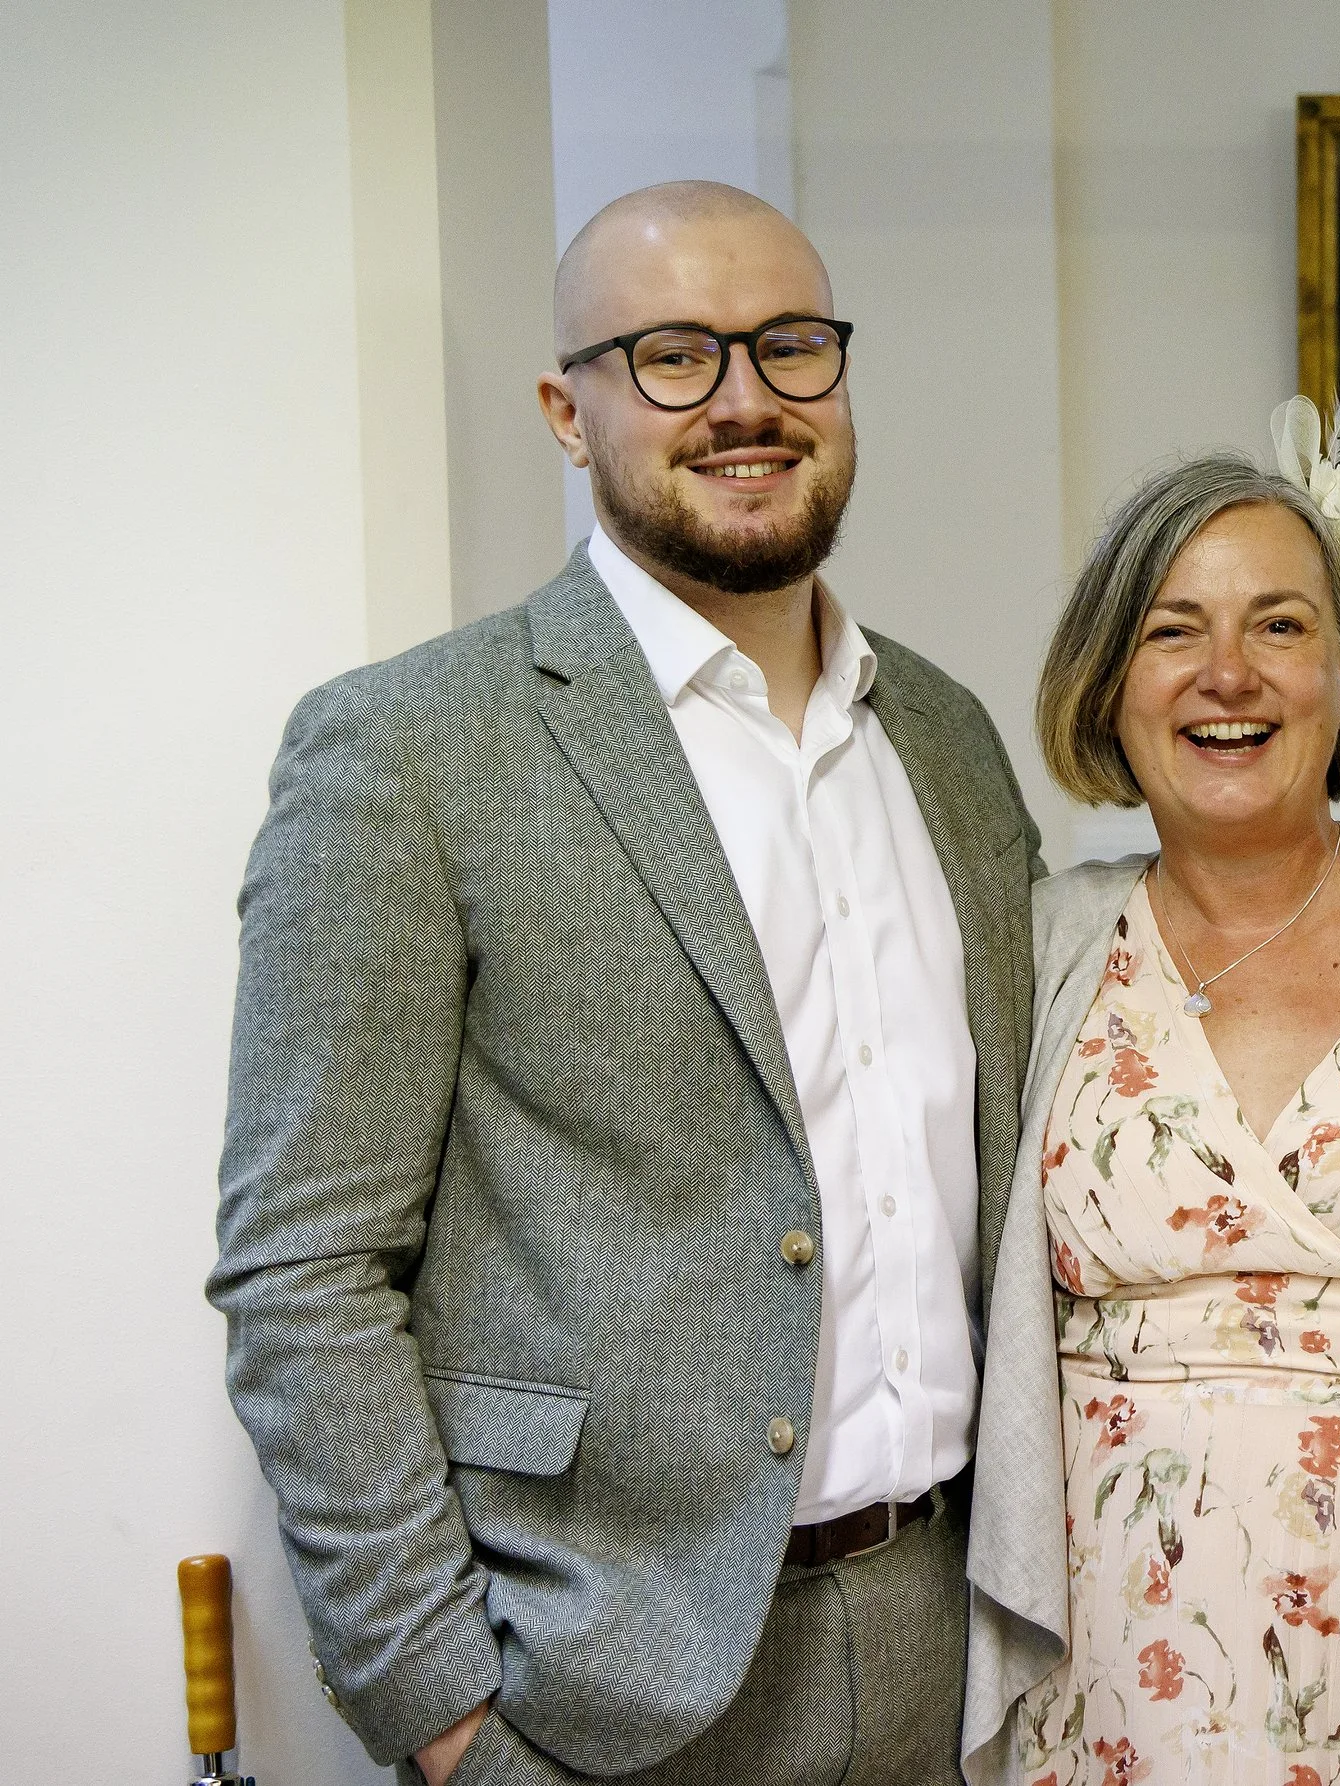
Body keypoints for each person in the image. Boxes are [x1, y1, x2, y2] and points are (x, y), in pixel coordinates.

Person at [210, 181, 1041, 1786]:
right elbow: (302, 1267)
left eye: (792, 347)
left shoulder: (945, 738)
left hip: (953, 1648)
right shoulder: (407, 749)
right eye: (671, 355)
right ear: (564, 408)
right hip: (598, 1685)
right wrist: (445, 1711)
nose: (746, 401)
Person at [961, 389, 1340, 1786]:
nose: (1226, 672)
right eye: (1174, 629)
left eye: (1279, 626)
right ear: (1108, 683)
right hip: (1110, 1656)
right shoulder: (1033, 944)